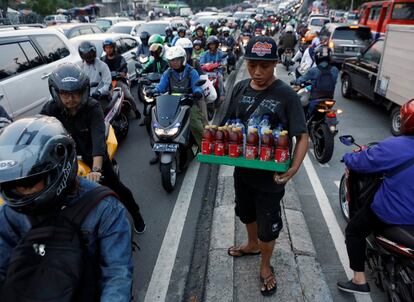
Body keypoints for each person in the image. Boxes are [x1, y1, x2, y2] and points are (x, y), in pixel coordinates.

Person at [0, 116, 133, 301]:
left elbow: (117, 275)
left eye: (29, 182)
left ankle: (138, 217)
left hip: (91, 159)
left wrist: (97, 166)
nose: (21, 192)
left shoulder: (104, 209)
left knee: (118, 187)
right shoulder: (10, 212)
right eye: (13, 185)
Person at [223, 36, 308, 297]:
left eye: (264, 66)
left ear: (275, 64)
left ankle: (265, 264)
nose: (257, 72)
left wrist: (293, 168)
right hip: (243, 170)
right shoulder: (239, 89)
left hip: (271, 177)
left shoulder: (287, 95)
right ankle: (251, 245)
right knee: (245, 213)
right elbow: (227, 123)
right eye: (252, 65)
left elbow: (302, 136)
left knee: (268, 225)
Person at [40, 63, 146, 234]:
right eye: (64, 93)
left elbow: (98, 140)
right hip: (65, 158)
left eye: (74, 93)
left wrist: (96, 169)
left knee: (116, 186)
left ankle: (136, 213)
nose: (70, 99)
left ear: (83, 92)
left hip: (93, 156)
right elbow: (39, 132)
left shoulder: (93, 107)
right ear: (56, 92)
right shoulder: (50, 109)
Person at [337, 99, 414, 294]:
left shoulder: (397, 146)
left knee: (354, 231)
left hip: (394, 214)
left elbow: (362, 162)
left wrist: (347, 157)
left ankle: (358, 280)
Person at [147, 46, 204, 165]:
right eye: (172, 60)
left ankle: (204, 150)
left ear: (182, 59)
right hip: (172, 103)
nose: (174, 63)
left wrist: (197, 92)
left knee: (196, 125)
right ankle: (157, 152)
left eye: (177, 60)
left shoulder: (191, 71)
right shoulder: (168, 73)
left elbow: (197, 86)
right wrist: (154, 91)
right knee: (153, 122)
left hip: (188, 103)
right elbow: (161, 87)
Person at [101, 38, 141, 119]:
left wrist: (122, 73)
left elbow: (124, 69)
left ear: (113, 48)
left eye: (110, 47)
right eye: (106, 48)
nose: (108, 50)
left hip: (118, 81)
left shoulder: (120, 58)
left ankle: (136, 111)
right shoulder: (103, 60)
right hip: (107, 83)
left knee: (129, 97)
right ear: (104, 49)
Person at [293, 45, 339, 115]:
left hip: (316, 98)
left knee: (299, 104)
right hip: (329, 98)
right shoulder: (335, 70)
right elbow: (334, 81)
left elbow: (301, 80)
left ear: (316, 57)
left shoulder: (314, 70)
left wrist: (295, 81)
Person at [200, 36, 227, 102]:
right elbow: (201, 63)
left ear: (216, 45)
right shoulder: (205, 54)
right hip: (207, 73)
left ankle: (222, 94)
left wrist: (222, 64)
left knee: (220, 77)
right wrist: (204, 66)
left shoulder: (220, 53)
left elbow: (224, 61)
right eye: (210, 45)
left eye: (213, 44)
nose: (211, 46)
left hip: (217, 72)